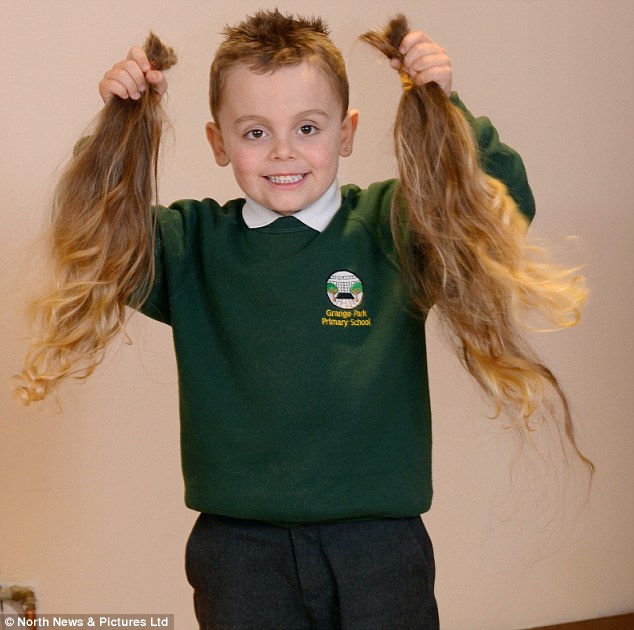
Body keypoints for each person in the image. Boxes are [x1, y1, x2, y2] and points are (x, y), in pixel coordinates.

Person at [19, 9, 587, 630]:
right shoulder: (191, 245)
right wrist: (116, 122)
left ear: (346, 133)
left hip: (380, 544)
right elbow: (93, 232)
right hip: (238, 553)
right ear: (218, 142)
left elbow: (503, 209)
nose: (284, 151)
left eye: (308, 127)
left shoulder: (395, 228)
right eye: (255, 132)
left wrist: (449, 105)